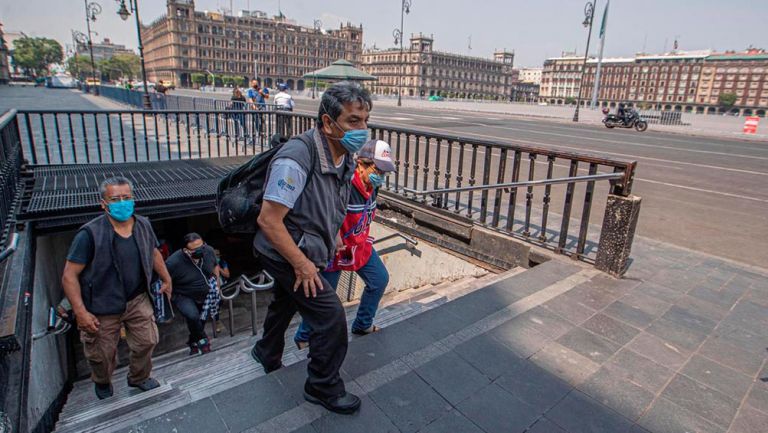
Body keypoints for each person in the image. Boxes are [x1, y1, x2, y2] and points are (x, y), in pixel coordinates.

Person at [251, 81, 372, 415]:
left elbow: (331, 200)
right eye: (352, 121)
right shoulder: (296, 157)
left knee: (287, 299)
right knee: (330, 316)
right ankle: (322, 386)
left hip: (308, 242)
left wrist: (332, 235)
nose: (361, 129)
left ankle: (266, 350)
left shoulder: (344, 154)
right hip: (281, 248)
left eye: (364, 120)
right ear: (327, 122)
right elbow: (269, 220)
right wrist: (302, 265)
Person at [61, 177, 172, 400]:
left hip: (137, 298)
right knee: (101, 354)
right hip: (102, 304)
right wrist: (81, 313)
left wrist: (166, 278)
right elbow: (69, 275)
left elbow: (152, 252)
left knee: (147, 340)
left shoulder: (143, 224)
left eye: (126, 197)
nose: (122, 203)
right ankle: (102, 381)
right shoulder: (89, 234)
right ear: (103, 203)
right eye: (115, 199)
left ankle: (139, 377)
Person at [294, 139, 396, 350]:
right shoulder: (344, 185)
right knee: (323, 298)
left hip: (359, 248)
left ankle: (362, 324)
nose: (382, 176)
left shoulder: (372, 186)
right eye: (378, 170)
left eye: (385, 172)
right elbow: (320, 212)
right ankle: (304, 336)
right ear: (361, 163)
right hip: (336, 251)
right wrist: (333, 233)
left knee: (379, 279)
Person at [165, 233, 220, 355]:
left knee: (200, 320)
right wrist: (167, 303)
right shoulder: (173, 262)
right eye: (195, 249)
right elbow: (165, 280)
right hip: (182, 294)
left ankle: (192, 341)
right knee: (193, 316)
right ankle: (203, 341)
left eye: (202, 246)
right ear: (186, 250)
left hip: (206, 292)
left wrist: (217, 285)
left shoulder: (209, 250)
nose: (200, 250)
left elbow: (215, 265)